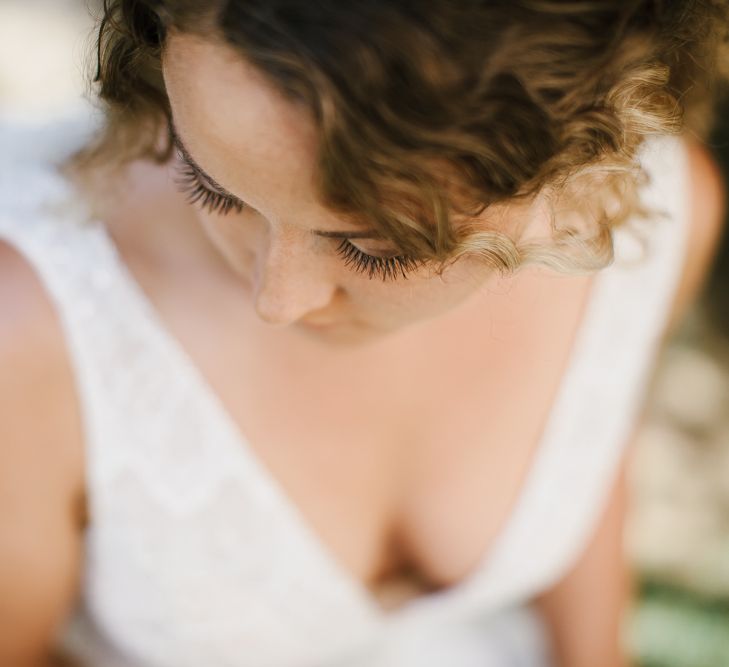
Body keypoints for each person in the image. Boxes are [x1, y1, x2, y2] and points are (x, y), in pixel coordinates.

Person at [1, 1, 727, 665]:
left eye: (376, 248)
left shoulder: (647, 218)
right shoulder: (29, 320)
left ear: (570, 168)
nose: (278, 299)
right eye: (213, 186)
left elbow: (585, 447)